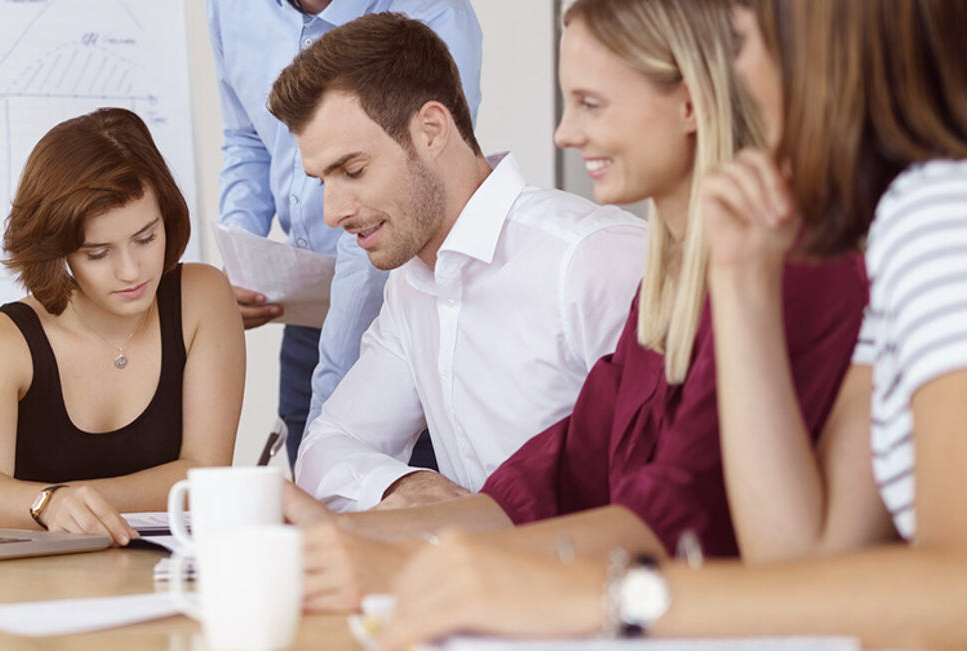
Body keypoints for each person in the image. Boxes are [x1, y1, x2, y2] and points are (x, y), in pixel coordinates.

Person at [372, 0, 967, 647]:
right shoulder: (885, 230)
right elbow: (805, 561)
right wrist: (741, 286)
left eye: (745, 41)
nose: (738, 74)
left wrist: (598, 596)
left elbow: (947, 587)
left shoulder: (931, 212)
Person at [285, 0, 870, 614]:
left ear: (693, 102)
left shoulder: (638, 261)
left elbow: (669, 513)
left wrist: (430, 561)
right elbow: (556, 478)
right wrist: (352, 533)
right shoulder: (668, 283)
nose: (563, 134)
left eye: (591, 103)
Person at [269, 12, 648, 526]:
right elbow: (327, 446)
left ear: (431, 130)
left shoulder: (591, 259)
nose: (333, 212)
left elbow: (664, 486)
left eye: (353, 171)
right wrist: (407, 484)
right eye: (321, 181)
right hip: (480, 589)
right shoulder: (412, 286)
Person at [0, 108, 245, 547]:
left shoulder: (202, 298)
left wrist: (57, 502)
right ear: (57, 251)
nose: (132, 271)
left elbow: (204, 478)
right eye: (99, 253)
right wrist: (49, 506)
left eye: (146, 238)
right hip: (34, 587)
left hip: (167, 577)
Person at [206, 0, 482, 468]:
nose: (331, 210)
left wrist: (327, 420)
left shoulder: (432, 12)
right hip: (308, 313)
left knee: (418, 500)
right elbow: (247, 138)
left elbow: (405, 190)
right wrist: (242, 257)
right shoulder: (231, 9)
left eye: (351, 169)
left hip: (404, 296)